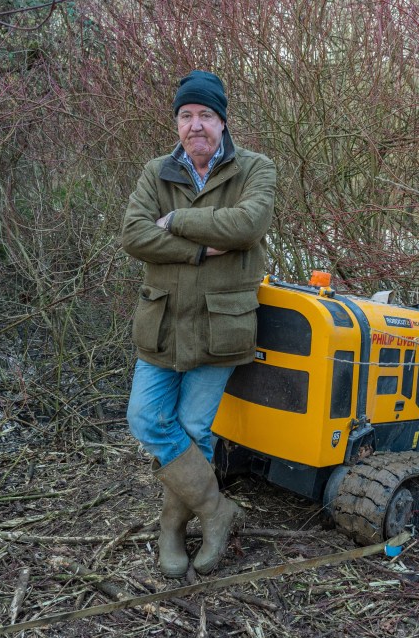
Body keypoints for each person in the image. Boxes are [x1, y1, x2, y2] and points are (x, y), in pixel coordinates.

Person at [121, 70, 276, 577]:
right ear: (177, 123)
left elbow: (248, 225)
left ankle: (171, 529)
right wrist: (205, 247)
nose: (195, 126)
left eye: (205, 115)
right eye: (186, 116)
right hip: (162, 323)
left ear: (223, 121)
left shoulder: (256, 169)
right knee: (145, 419)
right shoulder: (155, 172)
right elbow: (135, 236)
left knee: (193, 429)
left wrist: (179, 221)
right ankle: (216, 511)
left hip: (220, 328)